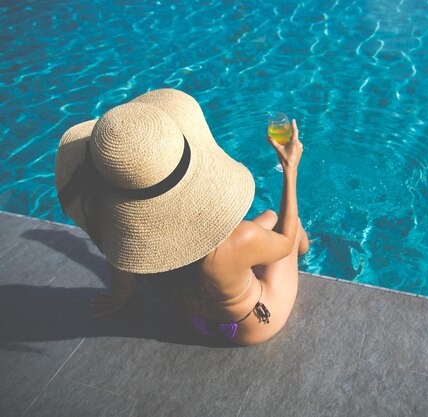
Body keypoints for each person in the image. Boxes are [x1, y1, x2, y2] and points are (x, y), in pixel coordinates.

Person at [54, 88, 309, 345]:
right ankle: (305, 250)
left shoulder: (123, 237)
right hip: (251, 324)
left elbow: (122, 282)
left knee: (268, 216)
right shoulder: (240, 238)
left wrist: (118, 299)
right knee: (291, 226)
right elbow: (284, 241)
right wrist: (290, 168)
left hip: (195, 321)